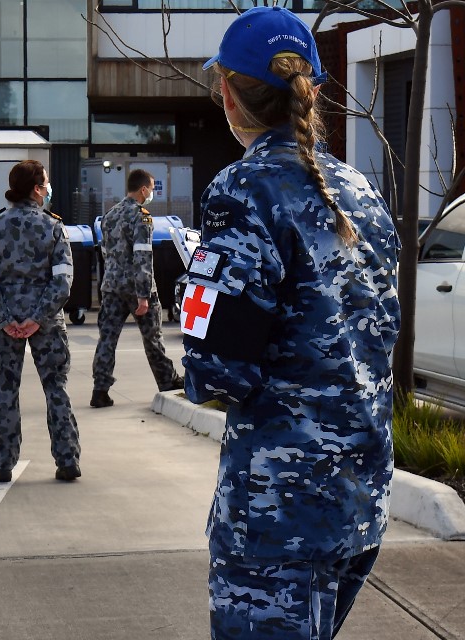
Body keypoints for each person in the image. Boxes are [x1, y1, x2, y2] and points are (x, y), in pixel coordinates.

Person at [181, 7, 401, 639]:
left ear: (227, 91)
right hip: (358, 497)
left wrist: (196, 284)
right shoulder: (358, 189)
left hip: (279, 510)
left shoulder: (242, 190)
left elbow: (218, 369)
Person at [0, 159, 81, 482]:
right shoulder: (53, 227)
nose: (48, 188)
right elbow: (63, 281)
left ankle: (2, 465)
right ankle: (67, 462)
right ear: (37, 189)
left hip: (4, 325)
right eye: (45, 183)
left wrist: (6, 319)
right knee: (56, 390)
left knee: (5, 391)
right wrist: (37, 318)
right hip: (47, 325)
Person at [90, 169, 183, 408]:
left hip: (111, 287)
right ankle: (167, 381)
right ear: (143, 190)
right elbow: (143, 257)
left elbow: (105, 252)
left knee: (107, 340)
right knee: (153, 338)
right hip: (136, 288)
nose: (151, 193)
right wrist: (143, 295)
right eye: (151, 188)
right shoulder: (141, 216)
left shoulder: (109, 215)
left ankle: (100, 390)